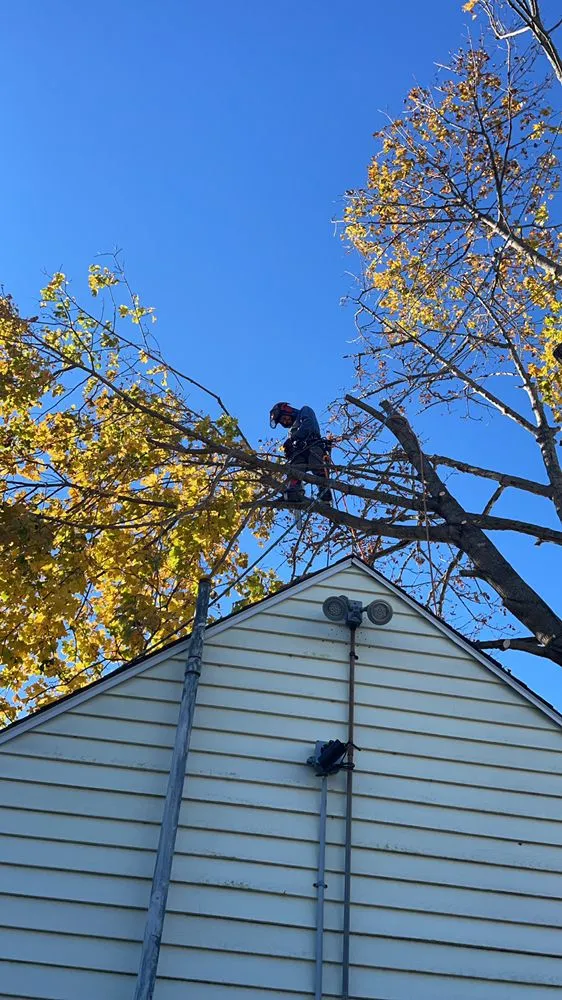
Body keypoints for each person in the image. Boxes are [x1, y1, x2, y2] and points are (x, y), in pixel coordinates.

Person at [269, 401, 332, 504]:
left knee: (317, 465)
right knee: (294, 468)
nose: (285, 422)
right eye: (282, 422)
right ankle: (293, 492)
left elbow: (308, 425)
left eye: (284, 418)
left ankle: (324, 491)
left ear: (288, 411)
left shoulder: (304, 411)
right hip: (299, 451)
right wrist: (289, 450)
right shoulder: (291, 430)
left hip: (313, 445)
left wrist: (292, 439)